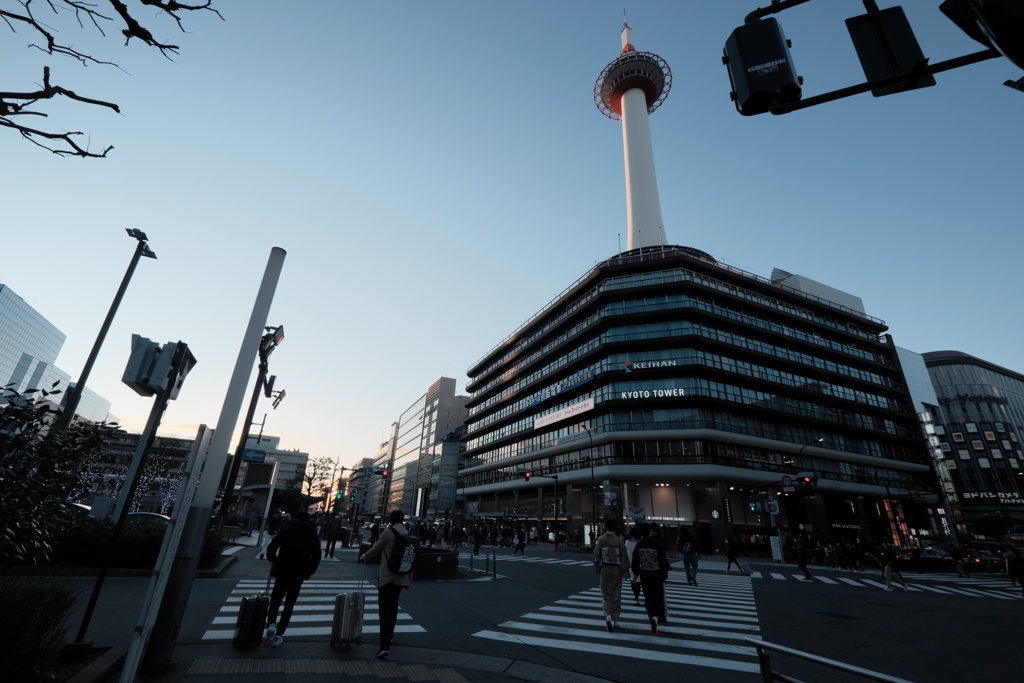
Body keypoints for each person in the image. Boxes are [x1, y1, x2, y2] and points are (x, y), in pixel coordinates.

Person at [359, 509, 414, 659]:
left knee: (384, 609)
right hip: (402, 576)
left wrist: (363, 557)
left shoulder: (389, 532)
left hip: (388, 576)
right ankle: (390, 636)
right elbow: (410, 556)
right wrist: (409, 577)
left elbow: (376, 548)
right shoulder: (407, 533)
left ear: (391, 519)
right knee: (394, 606)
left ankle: (384, 646)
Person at [264, 510, 322, 647]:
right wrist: (310, 571)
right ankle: (279, 635)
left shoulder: (288, 530)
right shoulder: (312, 534)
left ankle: (271, 624)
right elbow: (317, 556)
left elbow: (272, 546)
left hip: (283, 569)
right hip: (299, 572)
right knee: (289, 604)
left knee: (275, 600)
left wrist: (274, 559)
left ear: (295, 518)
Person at [632, 523, 669, 634]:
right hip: (656, 574)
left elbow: (635, 562)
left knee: (648, 597)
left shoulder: (639, 545)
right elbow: (662, 560)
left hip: (645, 575)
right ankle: (656, 617)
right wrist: (663, 574)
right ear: (650, 532)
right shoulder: (655, 544)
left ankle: (651, 615)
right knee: (657, 596)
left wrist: (635, 575)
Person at [594, 518, 630, 632]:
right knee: (616, 594)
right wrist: (624, 569)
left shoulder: (601, 539)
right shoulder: (619, 541)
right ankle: (615, 619)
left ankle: (608, 615)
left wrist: (597, 564)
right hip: (616, 569)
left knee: (605, 594)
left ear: (606, 527)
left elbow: (597, 554)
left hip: (605, 568)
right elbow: (624, 555)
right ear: (615, 528)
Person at [624, 525, 643, 606]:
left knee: (632, 580)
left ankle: (635, 597)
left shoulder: (627, 542)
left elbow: (625, 553)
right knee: (639, 581)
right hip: (639, 563)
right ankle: (637, 595)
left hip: (630, 563)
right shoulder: (640, 542)